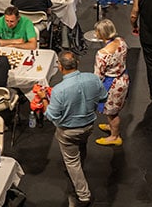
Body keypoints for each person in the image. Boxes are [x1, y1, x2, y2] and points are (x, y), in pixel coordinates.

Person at [45, 51, 108, 207]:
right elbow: (103, 97)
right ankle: (80, 167)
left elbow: (51, 115)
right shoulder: (93, 79)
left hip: (68, 131)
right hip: (88, 126)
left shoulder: (59, 90)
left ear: (60, 66)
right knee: (81, 146)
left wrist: (43, 99)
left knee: (72, 162)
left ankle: (83, 195)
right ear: (77, 62)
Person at [92, 20, 129, 146]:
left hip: (112, 84)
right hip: (123, 78)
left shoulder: (102, 54)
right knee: (113, 109)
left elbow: (98, 75)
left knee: (112, 113)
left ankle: (115, 136)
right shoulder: (122, 42)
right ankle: (112, 127)